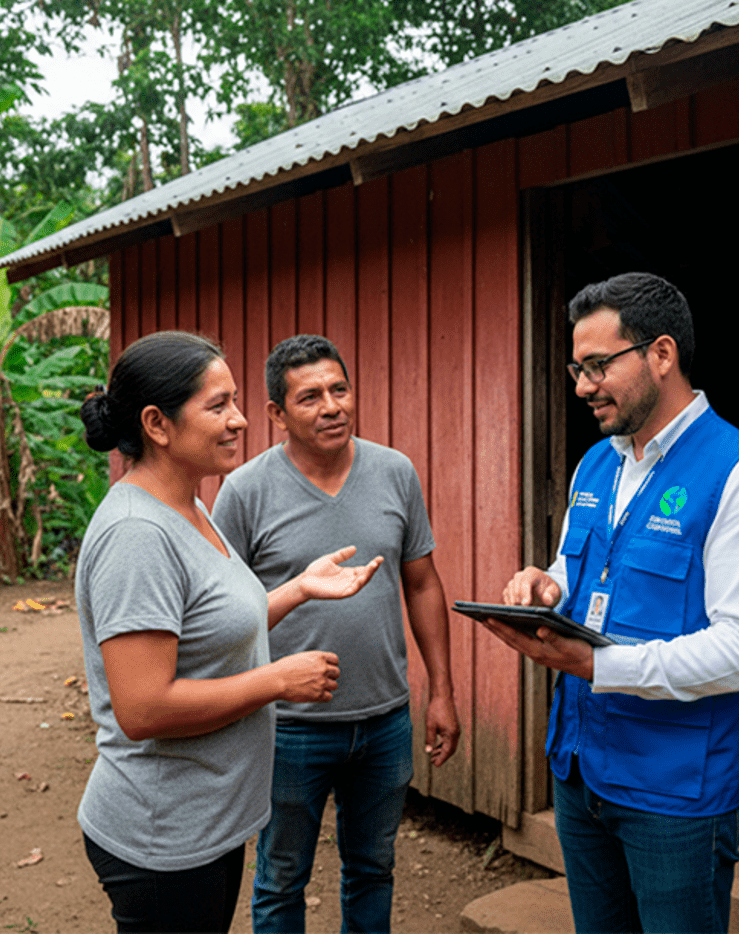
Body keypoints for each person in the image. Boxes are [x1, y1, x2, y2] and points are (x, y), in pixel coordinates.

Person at [488, 273, 739, 934]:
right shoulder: (597, 465)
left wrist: (597, 666)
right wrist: (546, 587)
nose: (581, 386)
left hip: (675, 794)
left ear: (662, 355)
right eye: (577, 367)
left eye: (598, 365)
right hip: (581, 771)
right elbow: (588, 574)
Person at [75, 330, 384, 934]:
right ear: (157, 425)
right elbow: (142, 707)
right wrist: (276, 680)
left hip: (205, 820)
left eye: (235, 401)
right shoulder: (137, 534)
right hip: (161, 833)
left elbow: (207, 632)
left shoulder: (188, 507)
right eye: (218, 406)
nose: (240, 420)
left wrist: (297, 588)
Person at [212, 334, 461, 934]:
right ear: (276, 414)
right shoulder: (244, 491)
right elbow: (224, 614)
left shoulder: (394, 472)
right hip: (289, 728)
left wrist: (442, 691)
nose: (332, 407)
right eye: (310, 397)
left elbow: (423, 584)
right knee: (281, 878)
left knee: (373, 867)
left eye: (339, 389)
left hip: (384, 720)